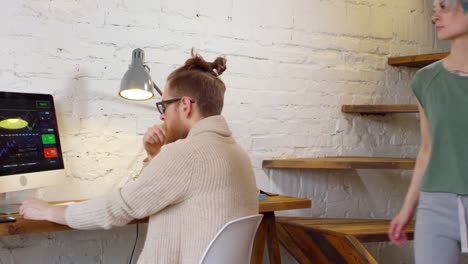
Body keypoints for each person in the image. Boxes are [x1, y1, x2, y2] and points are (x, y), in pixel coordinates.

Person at [19, 50, 259, 264]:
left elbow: (118, 208)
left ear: (185, 105)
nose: (162, 116)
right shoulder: (237, 154)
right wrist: (155, 156)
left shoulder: (186, 154)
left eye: (164, 106)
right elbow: (176, 193)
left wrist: (49, 212)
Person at [388, 1, 468, 263]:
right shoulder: (426, 80)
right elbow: (427, 149)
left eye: (444, 6)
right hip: (436, 205)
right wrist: (406, 210)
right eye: (434, 8)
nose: (435, 16)